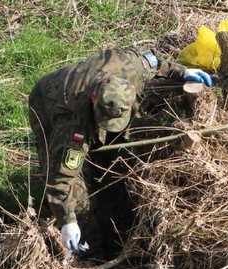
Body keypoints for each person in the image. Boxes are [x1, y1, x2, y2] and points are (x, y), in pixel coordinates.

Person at [28, 47, 213, 253]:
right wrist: (67, 222)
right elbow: (61, 179)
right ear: (94, 101)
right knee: (70, 181)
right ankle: (89, 245)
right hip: (47, 101)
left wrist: (181, 71)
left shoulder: (132, 68)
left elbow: (154, 61)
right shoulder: (73, 123)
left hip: (88, 81)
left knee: (106, 161)